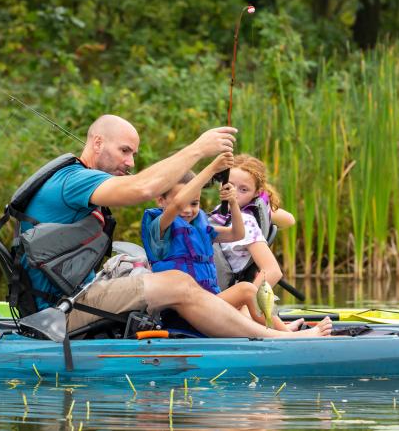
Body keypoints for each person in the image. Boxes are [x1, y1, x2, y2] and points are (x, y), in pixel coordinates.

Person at [21, 114, 331, 338]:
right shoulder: (75, 180)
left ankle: (253, 325)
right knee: (177, 281)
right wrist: (200, 150)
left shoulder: (78, 181)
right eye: (125, 151)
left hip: (75, 299)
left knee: (171, 278)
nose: (130, 163)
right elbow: (143, 189)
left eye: (134, 154)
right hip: (56, 314)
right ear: (98, 143)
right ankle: (280, 339)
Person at [140, 154, 303, 332]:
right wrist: (212, 168)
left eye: (194, 203)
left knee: (247, 289)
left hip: (206, 304)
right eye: (184, 203)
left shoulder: (201, 229)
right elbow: (177, 205)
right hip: (181, 311)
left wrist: (232, 202)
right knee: (247, 290)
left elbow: (237, 233)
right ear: (161, 200)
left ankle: (281, 331)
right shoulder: (159, 228)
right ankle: (286, 335)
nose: (187, 210)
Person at [211, 154, 294, 288]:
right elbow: (289, 219)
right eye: (230, 186)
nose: (234, 193)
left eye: (243, 190)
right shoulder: (220, 214)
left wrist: (247, 302)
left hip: (227, 297)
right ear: (221, 183)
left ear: (257, 193)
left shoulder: (246, 221)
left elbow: (272, 271)